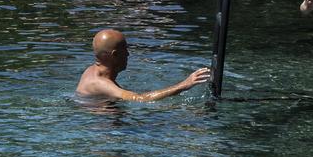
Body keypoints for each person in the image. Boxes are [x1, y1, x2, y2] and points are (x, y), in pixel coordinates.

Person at [76, 29, 212, 102]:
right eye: (125, 50)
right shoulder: (101, 83)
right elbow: (140, 99)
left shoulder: (91, 71)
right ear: (115, 54)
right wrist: (184, 84)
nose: (128, 55)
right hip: (107, 132)